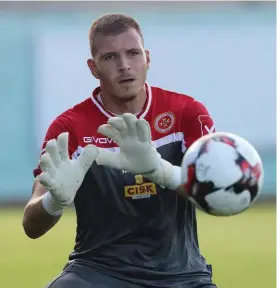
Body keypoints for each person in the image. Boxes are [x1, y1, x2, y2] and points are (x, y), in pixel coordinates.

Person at [22, 13, 217, 288]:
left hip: (182, 275)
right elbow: (31, 226)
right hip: (97, 272)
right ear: (93, 67)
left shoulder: (186, 112)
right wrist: (53, 201)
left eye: (133, 53)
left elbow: (213, 196)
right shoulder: (70, 128)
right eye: (110, 57)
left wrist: (162, 171)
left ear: (147, 58)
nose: (125, 66)